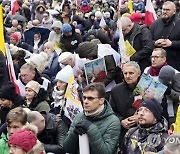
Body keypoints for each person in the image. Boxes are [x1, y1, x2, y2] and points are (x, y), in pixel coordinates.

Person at [63, 83, 120, 154]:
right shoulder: (79, 116)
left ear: (101, 100)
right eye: (84, 98)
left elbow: (106, 152)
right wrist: (74, 133)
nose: (85, 101)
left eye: (90, 98)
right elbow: (66, 148)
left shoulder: (113, 121)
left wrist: (91, 129)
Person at [109, 61, 141, 148]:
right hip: (123, 132)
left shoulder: (148, 87)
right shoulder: (115, 90)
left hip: (144, 131)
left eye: (131, 73)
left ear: (138, 74)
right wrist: (121, 121)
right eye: (125, 73)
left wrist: (141, 117)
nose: (128, 76)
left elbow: (156, 110)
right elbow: (111, 112)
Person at [150, 1, 180, 72]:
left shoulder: (178, 24)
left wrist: (172, 44)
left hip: (175, 63)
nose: (165, 12)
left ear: (174, 11)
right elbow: (147, 41)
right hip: (157, 66)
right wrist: (155, 43)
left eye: (168, 10)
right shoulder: (155, 24)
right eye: (163, 9)